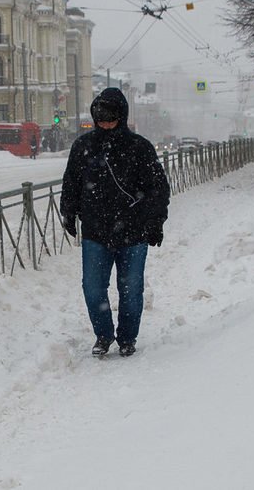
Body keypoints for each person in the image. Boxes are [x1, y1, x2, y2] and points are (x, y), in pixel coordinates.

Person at [60, 88, 170, 357]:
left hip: (133, 232)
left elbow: (158, 188)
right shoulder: (83, 147)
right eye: (100, 118)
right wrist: (68, 212)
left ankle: (127, 338)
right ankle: (104, 334)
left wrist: (156, 222)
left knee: (131, 291)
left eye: (110, 118)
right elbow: (71, 183)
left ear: (122, 116)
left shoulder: (139, 148)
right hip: (95, 232)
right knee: (93, 287)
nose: (105, 124)